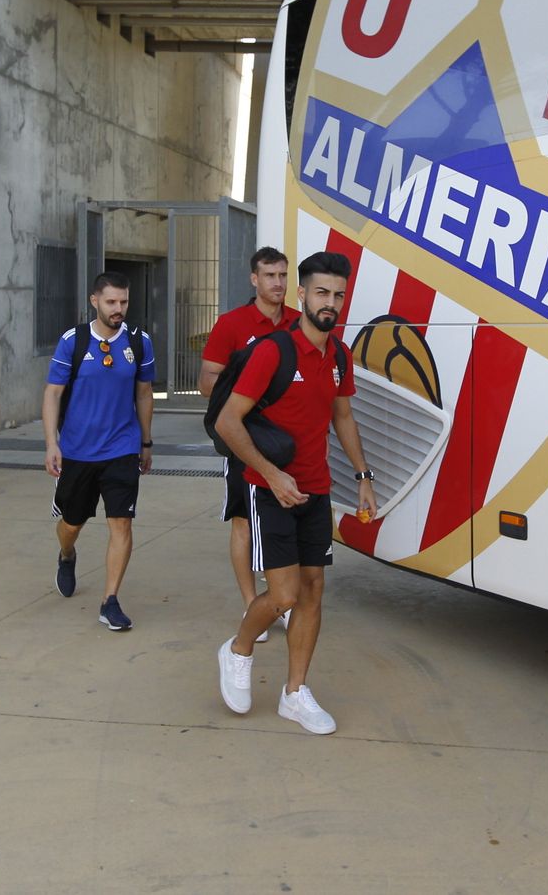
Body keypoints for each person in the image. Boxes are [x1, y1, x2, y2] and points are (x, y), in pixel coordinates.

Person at [214, 251, 378, 734]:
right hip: (270, 490)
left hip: (317, 490)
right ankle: (238, 648)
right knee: (283, 595)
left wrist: (363, 476)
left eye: (339, 295)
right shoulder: (273, 351)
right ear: (301, 294)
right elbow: (228, 421)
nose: (331, 303)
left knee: (313, 590)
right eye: (322, 293)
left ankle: (295, 693)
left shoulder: (338, 355)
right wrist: (271, 474)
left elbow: (342, 417)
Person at [41, 271, 155, 631]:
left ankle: (110, 601)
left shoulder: (139, 342)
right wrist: (51, 444)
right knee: (71, 524)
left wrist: (146, 442)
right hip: (77, 449)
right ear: (95, 301)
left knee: (121, 521)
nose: (118, 308)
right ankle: (66, 554)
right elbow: (53, 394)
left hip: (121, 447)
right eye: (111, 302)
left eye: (123, 301)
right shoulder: (73, 341)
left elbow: (144, 393)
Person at [198, 246, 299, 642]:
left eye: (282, 275)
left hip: (292, 442)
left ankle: (282, 601)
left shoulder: (297, 323)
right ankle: (250, 600)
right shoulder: (232, 324)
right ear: (254, 279)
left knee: (288, 521)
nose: (277, 283)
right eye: (269, 276)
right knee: (243, 523)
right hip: (246, 439)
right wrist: (247, 383)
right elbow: (207, 381)